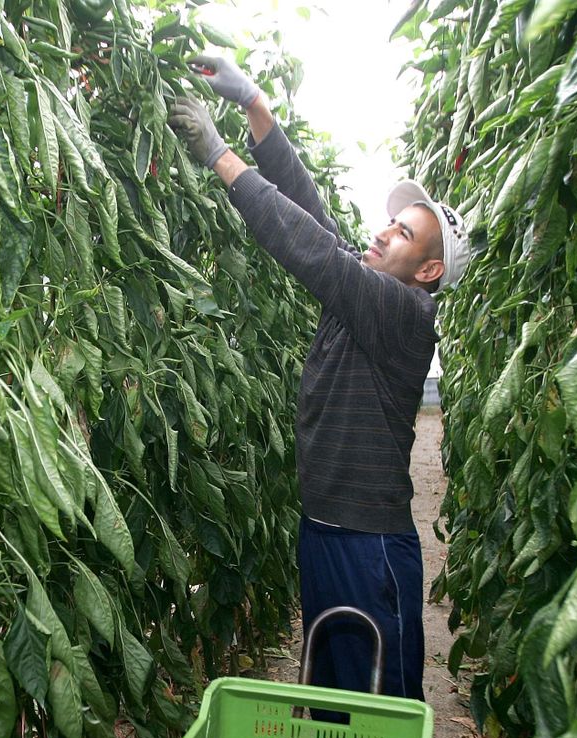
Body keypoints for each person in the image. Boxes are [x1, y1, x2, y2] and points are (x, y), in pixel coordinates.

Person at [169, 56, 470, 704]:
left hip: (369, 547)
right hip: (325, 532)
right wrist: (255, 109)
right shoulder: (364, 297)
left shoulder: (403, 313)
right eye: (392, 220)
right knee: (331, 705)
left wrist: (221, 157)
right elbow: (314, 217)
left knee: (378, 712)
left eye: (405, 232)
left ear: (427, 271)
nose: (386, 229)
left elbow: (308, 249)